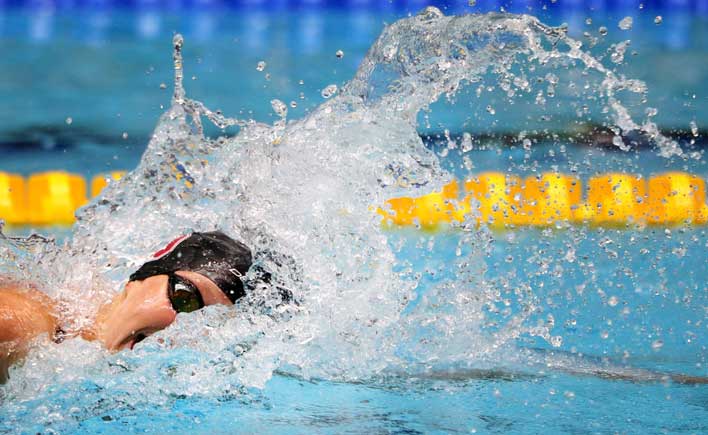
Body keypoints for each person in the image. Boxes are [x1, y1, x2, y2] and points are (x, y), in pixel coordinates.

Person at [0, 231, 258, 383]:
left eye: (210, 328)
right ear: (143, 275)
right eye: (185, 299)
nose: (181, 330)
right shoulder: (23, 324)